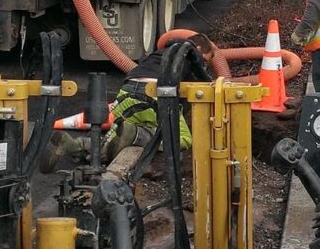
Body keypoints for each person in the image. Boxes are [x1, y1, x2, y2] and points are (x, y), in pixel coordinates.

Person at [39, 34, 216, 173]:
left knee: (112, 138)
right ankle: (136, 136)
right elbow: (200, 85)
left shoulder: (159, 53)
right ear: (199, 48)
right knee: (182, 139)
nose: (204, 64)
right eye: (206, 60)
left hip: (126, 92)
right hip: (154, 93)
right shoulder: (190, 52)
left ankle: (73, 145)